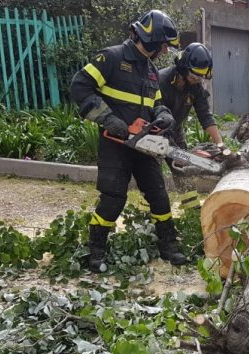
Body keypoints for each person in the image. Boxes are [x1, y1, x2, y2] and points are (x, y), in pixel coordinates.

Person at [70, 9, 187, 271]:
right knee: (113, 198)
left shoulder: (151, 70)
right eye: (164, 45)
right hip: (116, 144)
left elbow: (155, 102)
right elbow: (80, 86)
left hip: (143, 145)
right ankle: (96, 250)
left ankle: (168, 246)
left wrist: (163, 114)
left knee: (158, 195)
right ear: (152, 40)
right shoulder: (111, 58)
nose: (165, 51)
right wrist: (109, 119)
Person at [159, 42, 223, 149]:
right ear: (184, 67)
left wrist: (221, 145)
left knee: (182, 164)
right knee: (153, 163)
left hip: (175, 129)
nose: (196, 80)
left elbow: (205, 115)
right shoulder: (162, 81)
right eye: (193, 76)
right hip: (155, 130)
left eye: (200, 77)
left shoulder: (195, 87)